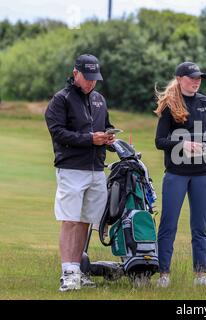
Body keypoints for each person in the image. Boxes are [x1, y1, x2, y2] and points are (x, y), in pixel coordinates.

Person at [45, 54, 115, 292]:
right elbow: (58, 133)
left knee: (85, 220)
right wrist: (89, 139)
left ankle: (77, 269)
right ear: (76, 73)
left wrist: (108, 137)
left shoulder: (99, 99)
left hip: (96, 169)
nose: (91, 83)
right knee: (70, 220)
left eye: (95, 79)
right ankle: (68, 273)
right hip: (72, 169)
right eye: (88, 78)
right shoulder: (60, 100)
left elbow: (104, 125)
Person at [154, 62, 206, 288]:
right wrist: (183, 143)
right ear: (180, 78)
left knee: (200, 227)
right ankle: (163, 274)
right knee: (168, 224)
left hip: (203, 172)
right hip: (177, 173)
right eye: (192, 77)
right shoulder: (169, 105)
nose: (196, 81)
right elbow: (160, 141)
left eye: (199, 78)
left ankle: (201, 276)